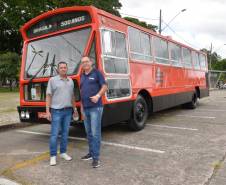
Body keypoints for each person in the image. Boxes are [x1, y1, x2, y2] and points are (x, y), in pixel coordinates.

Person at [46, 61, 78, 166]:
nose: (63, 69)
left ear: (67, 69)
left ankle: (63, 152)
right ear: (58, 69)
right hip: (56, 111)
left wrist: (75, 109)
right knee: (54, 135)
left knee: (65, 133)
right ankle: (53, 156)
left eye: (65, 67)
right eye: (61, 68)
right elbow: (48, 96)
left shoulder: (70, 81)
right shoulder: (52, 80)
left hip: (68, 111)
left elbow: (72, 96)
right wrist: (47, 111)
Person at [80, 56, 107, 168]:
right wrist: (81, 108)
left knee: (95, 134)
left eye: (87, 61)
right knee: (89, 133)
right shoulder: (82, 76)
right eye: (83, 62)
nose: (85, 63)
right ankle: (91, 153)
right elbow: (82, 93)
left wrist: (97, 95)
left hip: (96, 108)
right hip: (85, 109)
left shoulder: (97, 73)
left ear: (91, 62)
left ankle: (96, 158)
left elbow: (105, 86)